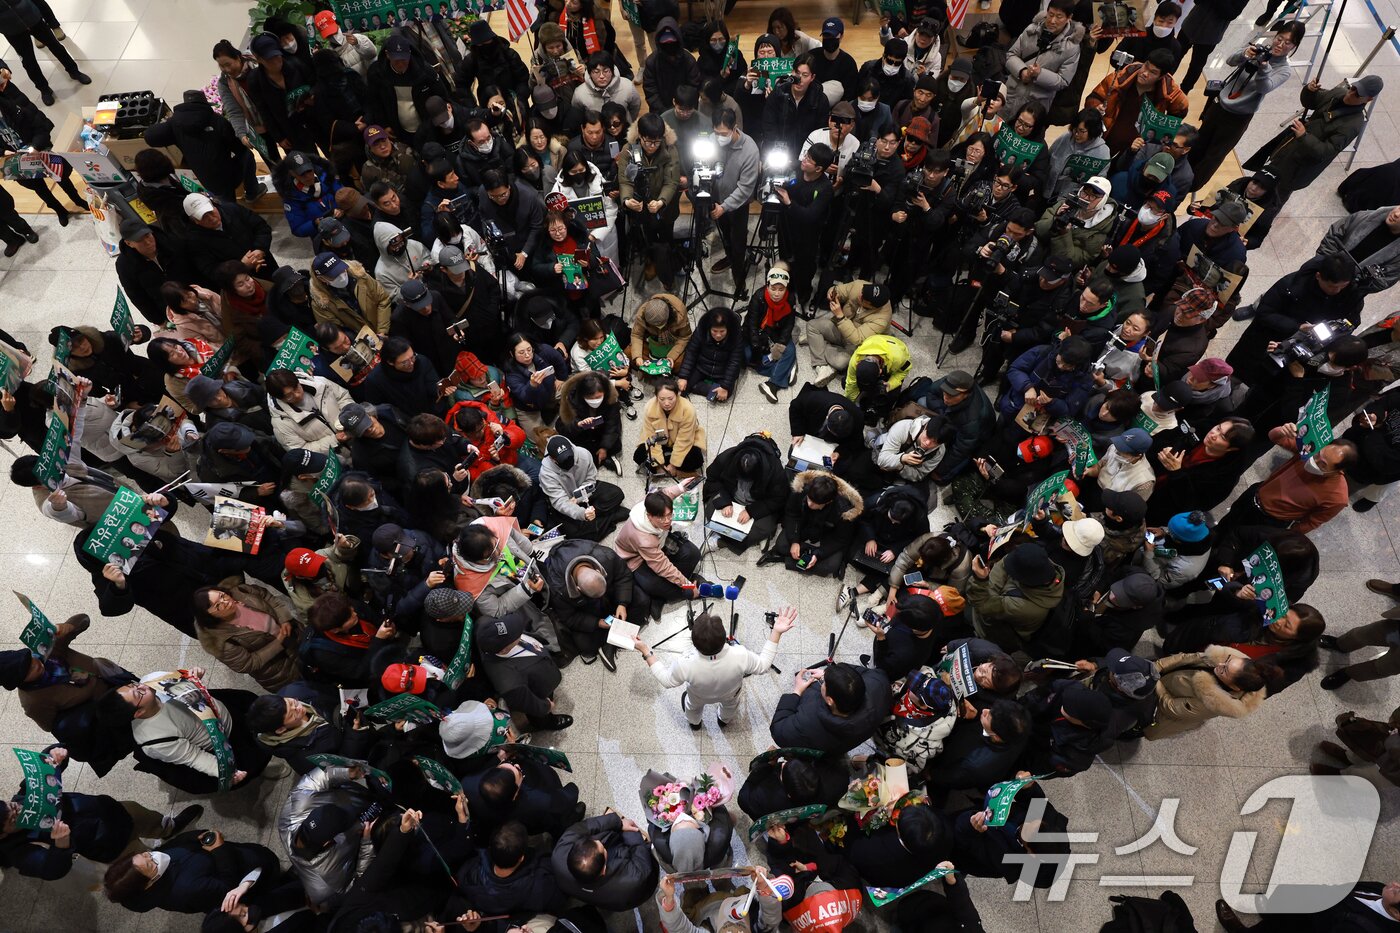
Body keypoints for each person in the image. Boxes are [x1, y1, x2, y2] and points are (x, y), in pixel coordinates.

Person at [97, 669, 281, 795]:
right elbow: (194, 758)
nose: (142, 686)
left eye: (133, 685)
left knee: (256, 711)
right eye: (138, 693)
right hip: (224, 737)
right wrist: (227, 771)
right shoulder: (154, 740)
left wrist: (194, 674)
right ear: (138, 713)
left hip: (223, 707)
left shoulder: (151, 680)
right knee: (257, 753)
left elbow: (185, 680)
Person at [639, 606, 795, 730]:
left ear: (694, 643)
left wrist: (646, 651)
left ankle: (695, 723)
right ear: (724, 639)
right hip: (730, 694)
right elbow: (763, 665)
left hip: (698, 696)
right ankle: (724, 721)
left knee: (691, 707)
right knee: (730, 707)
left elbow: (666, 680)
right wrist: (776, 632)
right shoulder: (740, 654)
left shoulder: (684, 663)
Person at [1190, 23, 1305, 190]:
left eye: (1287, 43)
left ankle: (1192, 186)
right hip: (1219, 106)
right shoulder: (1259, 50)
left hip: (1238, 118)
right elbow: (1230, 61)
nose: (1280, 44)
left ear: (1294, 46)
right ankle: (1180, 175)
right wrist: (1245, 54)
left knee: (1214, 155)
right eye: (1279, 38)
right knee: (1199, 142)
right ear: (1275, 36)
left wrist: (1264, 67)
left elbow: (1264, 87)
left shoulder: (1284, 70)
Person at [1245, 75, 1382, 204]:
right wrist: (1309, 91)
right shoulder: (1337, 94)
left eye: (1357, 95)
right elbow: (1310, 102)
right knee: (1259, 180)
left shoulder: (1352, 125)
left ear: (1368, 99)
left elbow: (1326, 152)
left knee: (1274, 198)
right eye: (1353, 89)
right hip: (1288, 147)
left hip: (1298, 166)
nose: (1350, 94)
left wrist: (1304, 136)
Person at [102, 829, 283, 915]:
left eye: (145, 854)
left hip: (228, 854)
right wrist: (219, 850)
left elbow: (171, 846)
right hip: (249, 873)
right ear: (148, 883)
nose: (152, 856)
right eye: (149, 863)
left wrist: (193, 837)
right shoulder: (188, 890)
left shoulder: (155, 866)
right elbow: (228, 887)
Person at [1219, 427, 1356, 535]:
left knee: (1234, 543)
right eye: (1318, 455)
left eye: (1323, 464)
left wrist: (1280, 535)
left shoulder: (1337, 497)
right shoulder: (1309, 451)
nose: (1314, 460)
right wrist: (1282, 431)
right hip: (1255, 494)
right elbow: (1274, 437)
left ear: (1339, 470)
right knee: (1225, 523)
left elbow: (1311, 523)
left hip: (1268, 521)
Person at [192, 582, 303, 692]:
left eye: (222, 595)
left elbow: (266, 596)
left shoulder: (241, 591)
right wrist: (279, 642)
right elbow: (248, 663)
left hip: (296, 635)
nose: (225, 601)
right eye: (218, 605)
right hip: (282, 668)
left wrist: (284, 618)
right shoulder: (220, 641)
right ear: (209, 616)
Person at [614, 488, 703, 623]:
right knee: (653, 584)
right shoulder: (643, 539)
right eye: (662, 517)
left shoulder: (652, 502)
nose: (667, 521)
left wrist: (682, 487)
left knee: (693, 553)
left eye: (670, 515)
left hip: (657, 546)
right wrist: (688, 586)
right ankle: (666, 595)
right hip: (635, 560)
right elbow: (663, 567)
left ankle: (663, 594)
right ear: (650, 516)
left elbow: (668, 493)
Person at [1145, 646, 1275, 739]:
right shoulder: (1227, 659)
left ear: (1236, 688)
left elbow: (1171, 707)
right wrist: (1157, 667)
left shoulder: (1214, 703)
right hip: (1165, 681)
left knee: (1149, 729)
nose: (1219, 664)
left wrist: (1155, 680)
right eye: (1227, 661)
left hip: (1164, 712)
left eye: (1224, 670)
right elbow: (1186, 658)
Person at [475, 613, 575, 731]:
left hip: (542, 671)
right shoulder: (509, 682)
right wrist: (546, 707)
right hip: (538, 691)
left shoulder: (484, 625)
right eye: (515, 634)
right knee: (539, 715)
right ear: (504, 649)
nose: (518, 630)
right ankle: (545, 723)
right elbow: (526, 703)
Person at [769, 662, 891, 753]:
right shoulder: (879, 684)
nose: (823, 681)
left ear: (830, 700)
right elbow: (862, 673)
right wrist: (829, 676)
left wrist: (796, 692)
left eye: (824, 683)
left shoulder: (806, 723)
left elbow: (778, 731)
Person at [1085, 49, 1187, 157]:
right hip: (1104, 139)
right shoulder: (1119, 78)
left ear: (1161, 77)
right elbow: (1094, 97)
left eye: (1153, 72)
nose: (1145, 73)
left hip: (1135, 150)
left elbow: (1181, 110)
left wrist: (1160, 128)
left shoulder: (1169, 92)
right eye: (1146, 66)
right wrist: (1096, 107)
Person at [761, 470, 863, 577]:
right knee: (781, 546)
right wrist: (794, 540)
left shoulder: (844, 511)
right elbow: (792, 514)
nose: (810, 504)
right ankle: (804, 554)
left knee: (831, 566)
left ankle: (785, 560)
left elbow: (840, 539)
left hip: (827, 536)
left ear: (828, 502)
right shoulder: (802, 489)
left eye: (815, 503)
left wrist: (818, 554)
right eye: (809, 499)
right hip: (804, 527)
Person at [551, 811, 660, 911]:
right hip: (638, 890)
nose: (599, 841)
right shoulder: (634, 878)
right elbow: (641, 857)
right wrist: (631, 832)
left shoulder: (559, 855)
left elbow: (583, 827)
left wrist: (618, 823)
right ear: (603, 870)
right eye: (603, 848)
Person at [703, 107, 761, 295]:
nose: (719, 137)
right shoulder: (712, 141)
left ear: (735, 127)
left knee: (738, 241)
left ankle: (739, 274)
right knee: (725, 235)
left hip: (737, 205)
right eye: (716, 132)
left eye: (724, 133)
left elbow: (745, 188)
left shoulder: (750, 149)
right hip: (716, 201)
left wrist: (725, 206)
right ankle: (730, 257)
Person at [968, 542, 1065, 649]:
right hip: (998, 604)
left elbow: (982, 604)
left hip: (999, 632)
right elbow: (1006, 561)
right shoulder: (1043, 566)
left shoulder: (1025, 607)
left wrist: (981, 580)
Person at [0, 0, 89, 106]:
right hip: (12, 30)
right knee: (28, 62)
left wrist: (50, 21)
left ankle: (74, 71)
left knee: (56, 46)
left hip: (33, 18)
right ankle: (44, 89)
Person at [539, 434, 627, 541]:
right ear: (553, 459)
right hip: (567, 502)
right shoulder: (546, 474)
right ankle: (611, 516)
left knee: (616, 494)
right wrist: (582, 513)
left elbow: (590, 480)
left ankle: (594, 520)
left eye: (570, 457)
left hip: (585, 491)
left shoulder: (583, 454)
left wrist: (579, 498)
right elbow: (560, 502)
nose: (569, 463)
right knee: (575, 535)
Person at [1002, 0, 1083, 114]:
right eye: (1051, 14)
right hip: (1011, 94)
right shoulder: (1032, 30)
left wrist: (1040, 74)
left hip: (1036, 105)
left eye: (1059, 17)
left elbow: (1063, 80)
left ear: (1069, 17)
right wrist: (1022, 71)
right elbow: (1011, 55)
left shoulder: (1072, 47)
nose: (1052, 20)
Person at [807, 280, 893, 388]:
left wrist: (840, 316)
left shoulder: (881, 319)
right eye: (862, 291)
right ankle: (821, 365)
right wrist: (832, 293)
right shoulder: (858, 286)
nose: (859, 295)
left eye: (862, 298)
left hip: (856, 344)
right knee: (811, 325)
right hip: (839, 327)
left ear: (872, 306)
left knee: (840, 363)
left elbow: (857, 338)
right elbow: (838, 290)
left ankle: (819, 342)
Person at [675, 306, 743, 403]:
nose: (718, 335)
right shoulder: (700, 331)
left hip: (722, 371)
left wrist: (725, 386)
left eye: (722, 331)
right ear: (709, 328)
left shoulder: (736, 336)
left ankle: (698, 387)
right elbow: (691, 352)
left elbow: (734, 362)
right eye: (715, 331)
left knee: (723, 395)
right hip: (701, 366)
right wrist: (683, 376)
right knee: (681, 389)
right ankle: (707, 388)